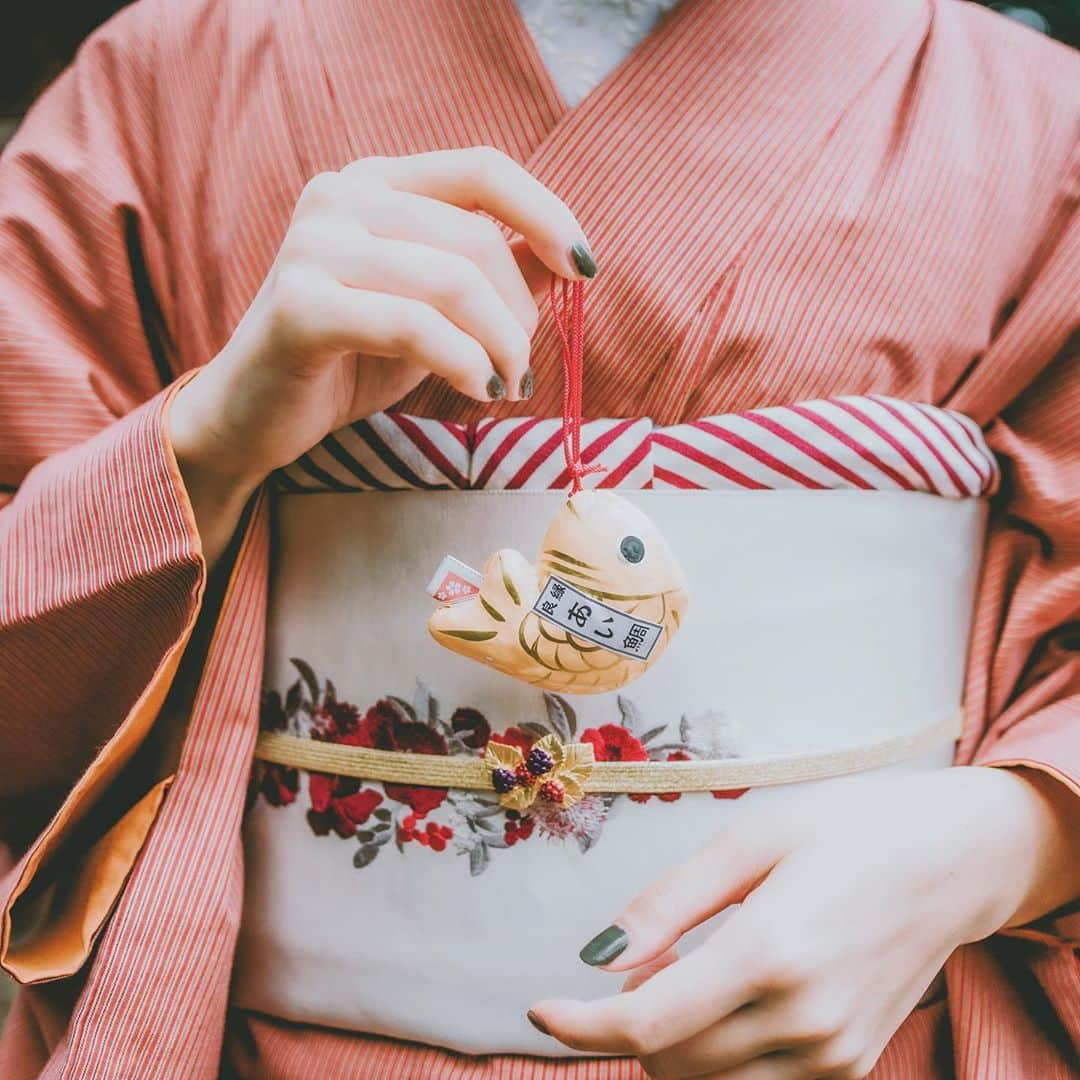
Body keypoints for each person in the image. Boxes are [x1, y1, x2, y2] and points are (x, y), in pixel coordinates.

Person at [0, 0, 1078, 1077]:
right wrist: (210, 441)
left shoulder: (1040, 125)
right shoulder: (175, 72)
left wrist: (1004, 842)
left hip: (860, 1033)